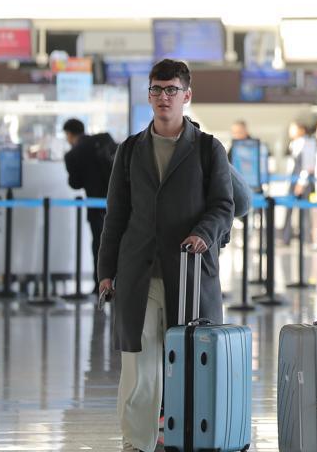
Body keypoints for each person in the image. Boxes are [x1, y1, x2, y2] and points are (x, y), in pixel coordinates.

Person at [97, 59, 233, 452]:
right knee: (139, 367)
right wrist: (106, 271)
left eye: (171, 90)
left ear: (187, 96)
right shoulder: (130, 150)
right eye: (156, 89)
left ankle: (189, 438)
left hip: (190, 273)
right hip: (139, 273)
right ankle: (137, 443)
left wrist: (204, 234)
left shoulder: (208, 149)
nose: (163, 97)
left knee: (191, 363)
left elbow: (223, 205)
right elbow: (116, 214)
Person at [63, 118, 114, 277]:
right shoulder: (105, 139)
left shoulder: (73, 154)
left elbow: (75, 183)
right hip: (118, 202)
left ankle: (99, 282)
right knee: (118, 242)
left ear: (69, 134)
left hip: (95, 206)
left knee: (99, 244)